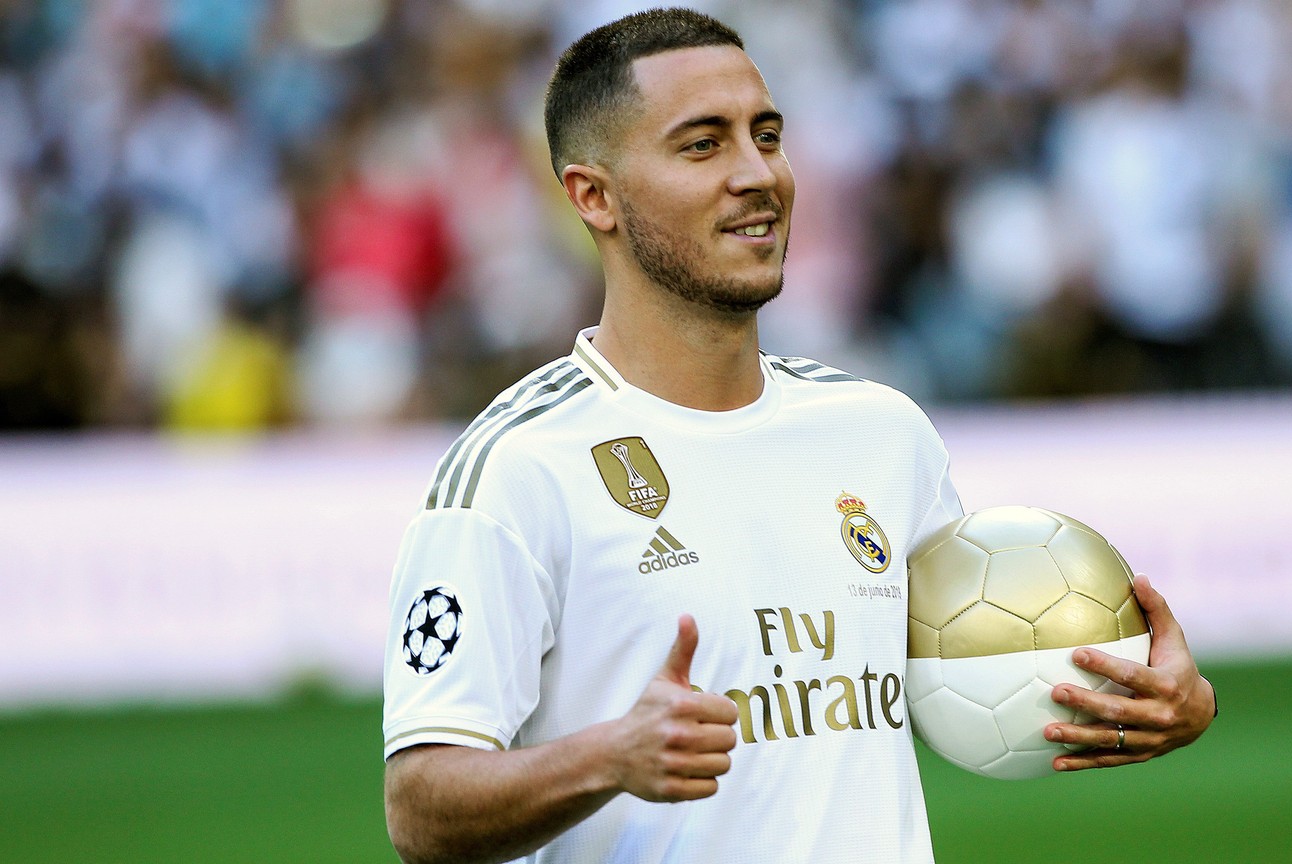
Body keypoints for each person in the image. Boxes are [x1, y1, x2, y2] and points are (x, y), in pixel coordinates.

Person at [381, 9, 1216, 864]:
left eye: (766, 135)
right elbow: (420, 808)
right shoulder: (518, 468)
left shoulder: (880, 433)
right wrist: (607, 756)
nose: (758, 174)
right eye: (702, 145)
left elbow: (954, 684)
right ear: (594, 196)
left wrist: (1142, 698)